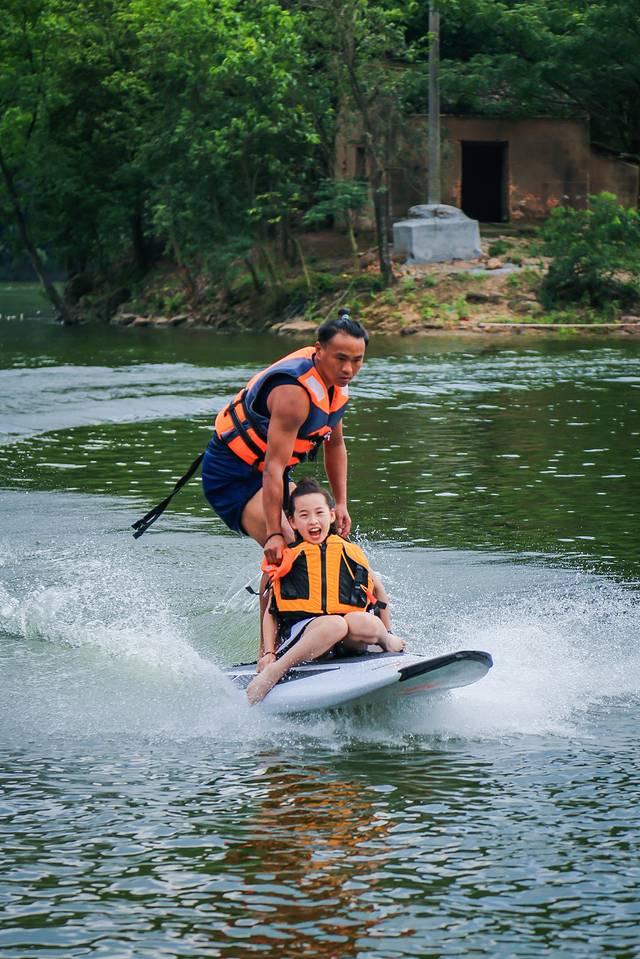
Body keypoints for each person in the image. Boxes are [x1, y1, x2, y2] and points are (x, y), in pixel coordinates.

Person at [201, 311, 369, 667]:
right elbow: (273, 467)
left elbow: (335, 445)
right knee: (287, 549)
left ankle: (329, 631)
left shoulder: (336, 387)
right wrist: (275, 532)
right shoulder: (293, 394)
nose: (348, 369)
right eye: (341, 358)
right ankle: (269, 652)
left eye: (357, 360)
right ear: (319, 350)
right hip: (232, 475)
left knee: (321, 536)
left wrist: (340, 504)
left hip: (269, 472)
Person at [246, 478, 405, 704]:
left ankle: (388, 644)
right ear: (292, 522)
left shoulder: (349, 552)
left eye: (319, 513)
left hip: (348, 639)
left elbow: (378, 591)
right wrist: (268, 652)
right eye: (304, 515)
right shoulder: (287, 558)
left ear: (331, 516)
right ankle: (276, 671)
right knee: (335, 624)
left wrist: (387, 631)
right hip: (305, 632)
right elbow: (270, 612)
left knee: (363, 621)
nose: (313, 521)